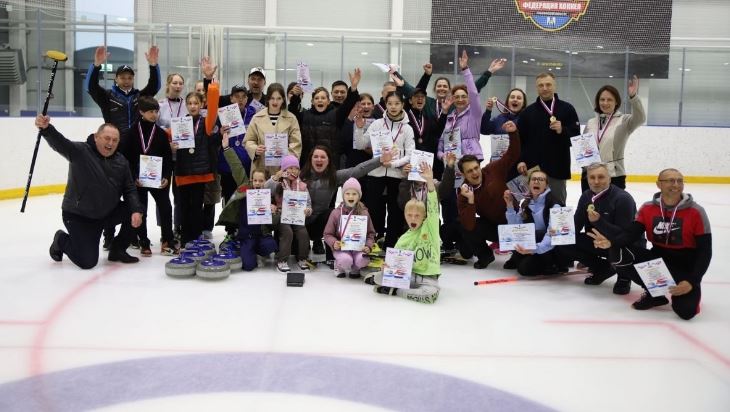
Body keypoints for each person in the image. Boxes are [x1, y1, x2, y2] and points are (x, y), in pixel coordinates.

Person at [587, 169, 711, 320]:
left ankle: (682, 288)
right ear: (659, 184)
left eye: (679, 181)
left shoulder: (696, 212)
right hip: (658, 260)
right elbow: (630, 235)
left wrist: (692, 281)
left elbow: (705, 251)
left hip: (685, 267)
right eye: (670, 180)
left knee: (686, 312)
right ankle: (655, 294)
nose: (676, 184)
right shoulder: (648, 208)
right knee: (618, 252)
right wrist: (610, 242)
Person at [39, 115, 143, 269]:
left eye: (115, 140)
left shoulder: (121, 161)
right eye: (107, 138)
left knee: (137, 209)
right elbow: (60, 143)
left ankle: (117, 249)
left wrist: (135, 210)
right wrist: (47, 129)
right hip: (79, 216)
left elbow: (129, 189)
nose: (110, 143)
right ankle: (60, 239)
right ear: (96, 137)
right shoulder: (80, 152)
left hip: (105, 214)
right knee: (87, 262)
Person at [86, 45, 161, 249]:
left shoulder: (140, 97)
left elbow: (154, 86)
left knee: (134, 195)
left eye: (129, 77)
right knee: (110, 195)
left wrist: (153, 66)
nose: (126, 80)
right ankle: (109, 236)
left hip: (136, 153)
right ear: (116, 79)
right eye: (122, 77)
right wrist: (96, 66)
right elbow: (91, 88)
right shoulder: (107, 97)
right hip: (113, 152)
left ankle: (133, 235)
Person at [301, 144, 391, 265]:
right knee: (293, 249)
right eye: (315, 156)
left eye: (323, 157)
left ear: (328, 160)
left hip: (320, 224)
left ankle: (331, 258)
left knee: (332, 213)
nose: (319, 159)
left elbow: (357, 170)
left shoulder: (334, 177)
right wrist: (277, 176)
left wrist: (379, 160)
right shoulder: (300, 176)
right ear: (310, 159)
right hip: (300, 225)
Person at [560, 162, 642, 295]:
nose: (596, 181)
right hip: (598, 242)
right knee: (564, 242)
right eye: (592, 177)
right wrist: (560, 231)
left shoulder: (622, 199)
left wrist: (599, 222)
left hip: (623, 244)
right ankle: (602, 268)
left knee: (621, 247)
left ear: (609, 178)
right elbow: (576, 225)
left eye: (601, 177)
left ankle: (624, 276)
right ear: (587, 179)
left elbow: (625, 235)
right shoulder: (586, 196)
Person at [367, 163, 441, 304]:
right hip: (408, 275)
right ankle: (380, 278)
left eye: (417, 215)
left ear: (424, 217)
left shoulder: (430, 227)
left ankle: (395, 291)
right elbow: (396, 263)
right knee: (381, 277)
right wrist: (388, 267)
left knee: (430, 296)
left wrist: (429, 181)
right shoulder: (403, 238)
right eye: (409, 215)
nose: (413, 219)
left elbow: (433, 207)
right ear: (405, 216)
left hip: (428, 278)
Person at [456, 121, 521, 269]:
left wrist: (513, 133)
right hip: (494, 227)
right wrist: (471, 200)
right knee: (464, 225)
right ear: (463, 174)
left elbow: (513, 154)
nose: (474, 173)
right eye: (469, 171)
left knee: (523, 264)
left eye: (476, 168)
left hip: (514, 222)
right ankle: (485, 255)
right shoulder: (464, 192)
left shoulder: (493, 169)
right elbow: (469, 225)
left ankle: (517, 256)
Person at [358, 91, 415, 248]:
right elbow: (361, 144)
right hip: (376, 173)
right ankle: (372, 242)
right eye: (390, 103)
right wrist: (359, 128)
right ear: (385, 105)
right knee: (373, 208)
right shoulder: (377, 124)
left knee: (395, 210)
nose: (393, 107)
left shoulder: (407, 128)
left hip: (396, 174)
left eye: (397, 103)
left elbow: (410, 154)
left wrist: (394, 164)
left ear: (402, 105)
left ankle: (391, 244)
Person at [217, 128, 278, 271]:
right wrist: (226, 148)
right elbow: (236, 167)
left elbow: (275, 220)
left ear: (266, 182)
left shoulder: (269, 195)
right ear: (251, 180)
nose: (257, 183)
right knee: (249, 266)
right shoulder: (245, 188)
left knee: (271, 246)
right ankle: (247, 249)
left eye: (261, 181)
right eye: (255, 180)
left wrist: (273, 210)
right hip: (247, 235)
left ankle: (259, 249)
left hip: (262, 234)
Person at [121, 96, 176, 256]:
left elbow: (167, 158)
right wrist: (133, 177)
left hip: (158, 179)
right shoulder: (131, 133)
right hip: (138, 180)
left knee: (166, 207)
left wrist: (166, 176)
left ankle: (167, 240)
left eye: (156, 111)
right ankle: (143, 241)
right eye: (150, 111)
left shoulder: (161, 134)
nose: (154, 115)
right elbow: (125, 159)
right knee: (141, 209)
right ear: (141, 112)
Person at [516, 72, 580, 204]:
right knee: (532, 208)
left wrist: (563, 130)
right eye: (541, 85)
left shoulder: (567, 109)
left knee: (558, 208)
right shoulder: (527, 113)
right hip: (533, 170)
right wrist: (521, 160)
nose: (544, 88)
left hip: (558, 168)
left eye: (548, 85)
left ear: (554, 86)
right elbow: (520, 140)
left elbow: (576, 138)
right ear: (536, 88)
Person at [171, 86, 220, 245]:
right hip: (183, 172)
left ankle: (197, 239)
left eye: (196, 103)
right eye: (190, 103)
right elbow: (167, 138)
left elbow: (213, 108)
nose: (193, 106)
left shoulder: (206, 123)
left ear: (201, 105)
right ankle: (185, 240)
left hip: (200, 173)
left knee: (197, 207)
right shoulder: (179, 124)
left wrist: (212, 87)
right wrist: (171, 145)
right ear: (186, 105)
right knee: (184, 206)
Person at [581, 76, 645, 191]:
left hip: (614, 175)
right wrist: (585, 169)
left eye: (609, 100)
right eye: (602, 99)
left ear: (616, 102)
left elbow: (640, 118)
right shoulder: (591, 122)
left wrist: (633, 97)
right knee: (589, 203)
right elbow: (584, 150)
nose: (605, 103)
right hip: (591, 176)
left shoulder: (624, 121)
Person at [502, 169, 568, 276]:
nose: (536, 181)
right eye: (534, 179)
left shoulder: (554, 204)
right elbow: (515, 228)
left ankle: (552, 265)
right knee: (519, 256)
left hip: (551, 248)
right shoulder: (526, 203)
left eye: (541, 179)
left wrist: (533, 249)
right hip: (536, 243)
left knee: (524, 269)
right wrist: (509, 205)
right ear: (529, 184)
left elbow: (552, 236)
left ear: (546, 185)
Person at [437, 51, 498, 163]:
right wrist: (442, 156)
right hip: (453, 162)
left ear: (469, 99)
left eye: (464, 96)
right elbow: (441, 143)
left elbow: (473, 92)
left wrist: (465, 70)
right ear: (453, 99)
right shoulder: (450, 118)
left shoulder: (474, 113)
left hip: (471, 158)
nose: (460, 99)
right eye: (457, 97)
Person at [217, 84, 256, 241]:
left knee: (246, 197)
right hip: (228, 165)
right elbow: (213, 136)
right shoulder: (223, 114)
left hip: (247, 165)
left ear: (247, 99)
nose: (240, 100)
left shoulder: (254, 114)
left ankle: (245, 229)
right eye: (236, 97)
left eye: (243, 97)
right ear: (231, 98)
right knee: (230, 197)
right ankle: (230, 231)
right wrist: (220, 133)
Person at [244, 83, 302, 177]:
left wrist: (287, 158)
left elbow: (296, 143)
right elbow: (248, 140)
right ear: (267, 99)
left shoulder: (291, 118)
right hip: (261, 169)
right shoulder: (256, 118)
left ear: (283, 100)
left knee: (281, 186)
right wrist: (255, 149)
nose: (275, 102)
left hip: (284, 169)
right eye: (272, 98)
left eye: (279, 98)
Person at [265, 155, 312, 272]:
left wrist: (308, 210)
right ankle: (282, 260)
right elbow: (265, 189)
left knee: (303, 232)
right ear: (284, 170)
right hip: (282, 216)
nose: (293, 171)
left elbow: (308, 203)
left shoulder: (302, 186)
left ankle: (302, 258)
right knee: (287, 232)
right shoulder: (278, 184)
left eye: (296, 168)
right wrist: (276, 177)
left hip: (297, 216)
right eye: (290, 168)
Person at [323, 178, 377, 279]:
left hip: (359, 248)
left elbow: (371, 233)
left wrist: (368, 246)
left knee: (363, 259)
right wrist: (334, 243)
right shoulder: (336, 213)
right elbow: (327, 234)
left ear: (359, 196)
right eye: (347, 193)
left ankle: (355, 267)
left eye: (354, 194)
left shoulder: (364, 213)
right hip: (342, 249)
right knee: (345, 260)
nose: (351, 196)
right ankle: (339, 266)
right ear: (343, 195)